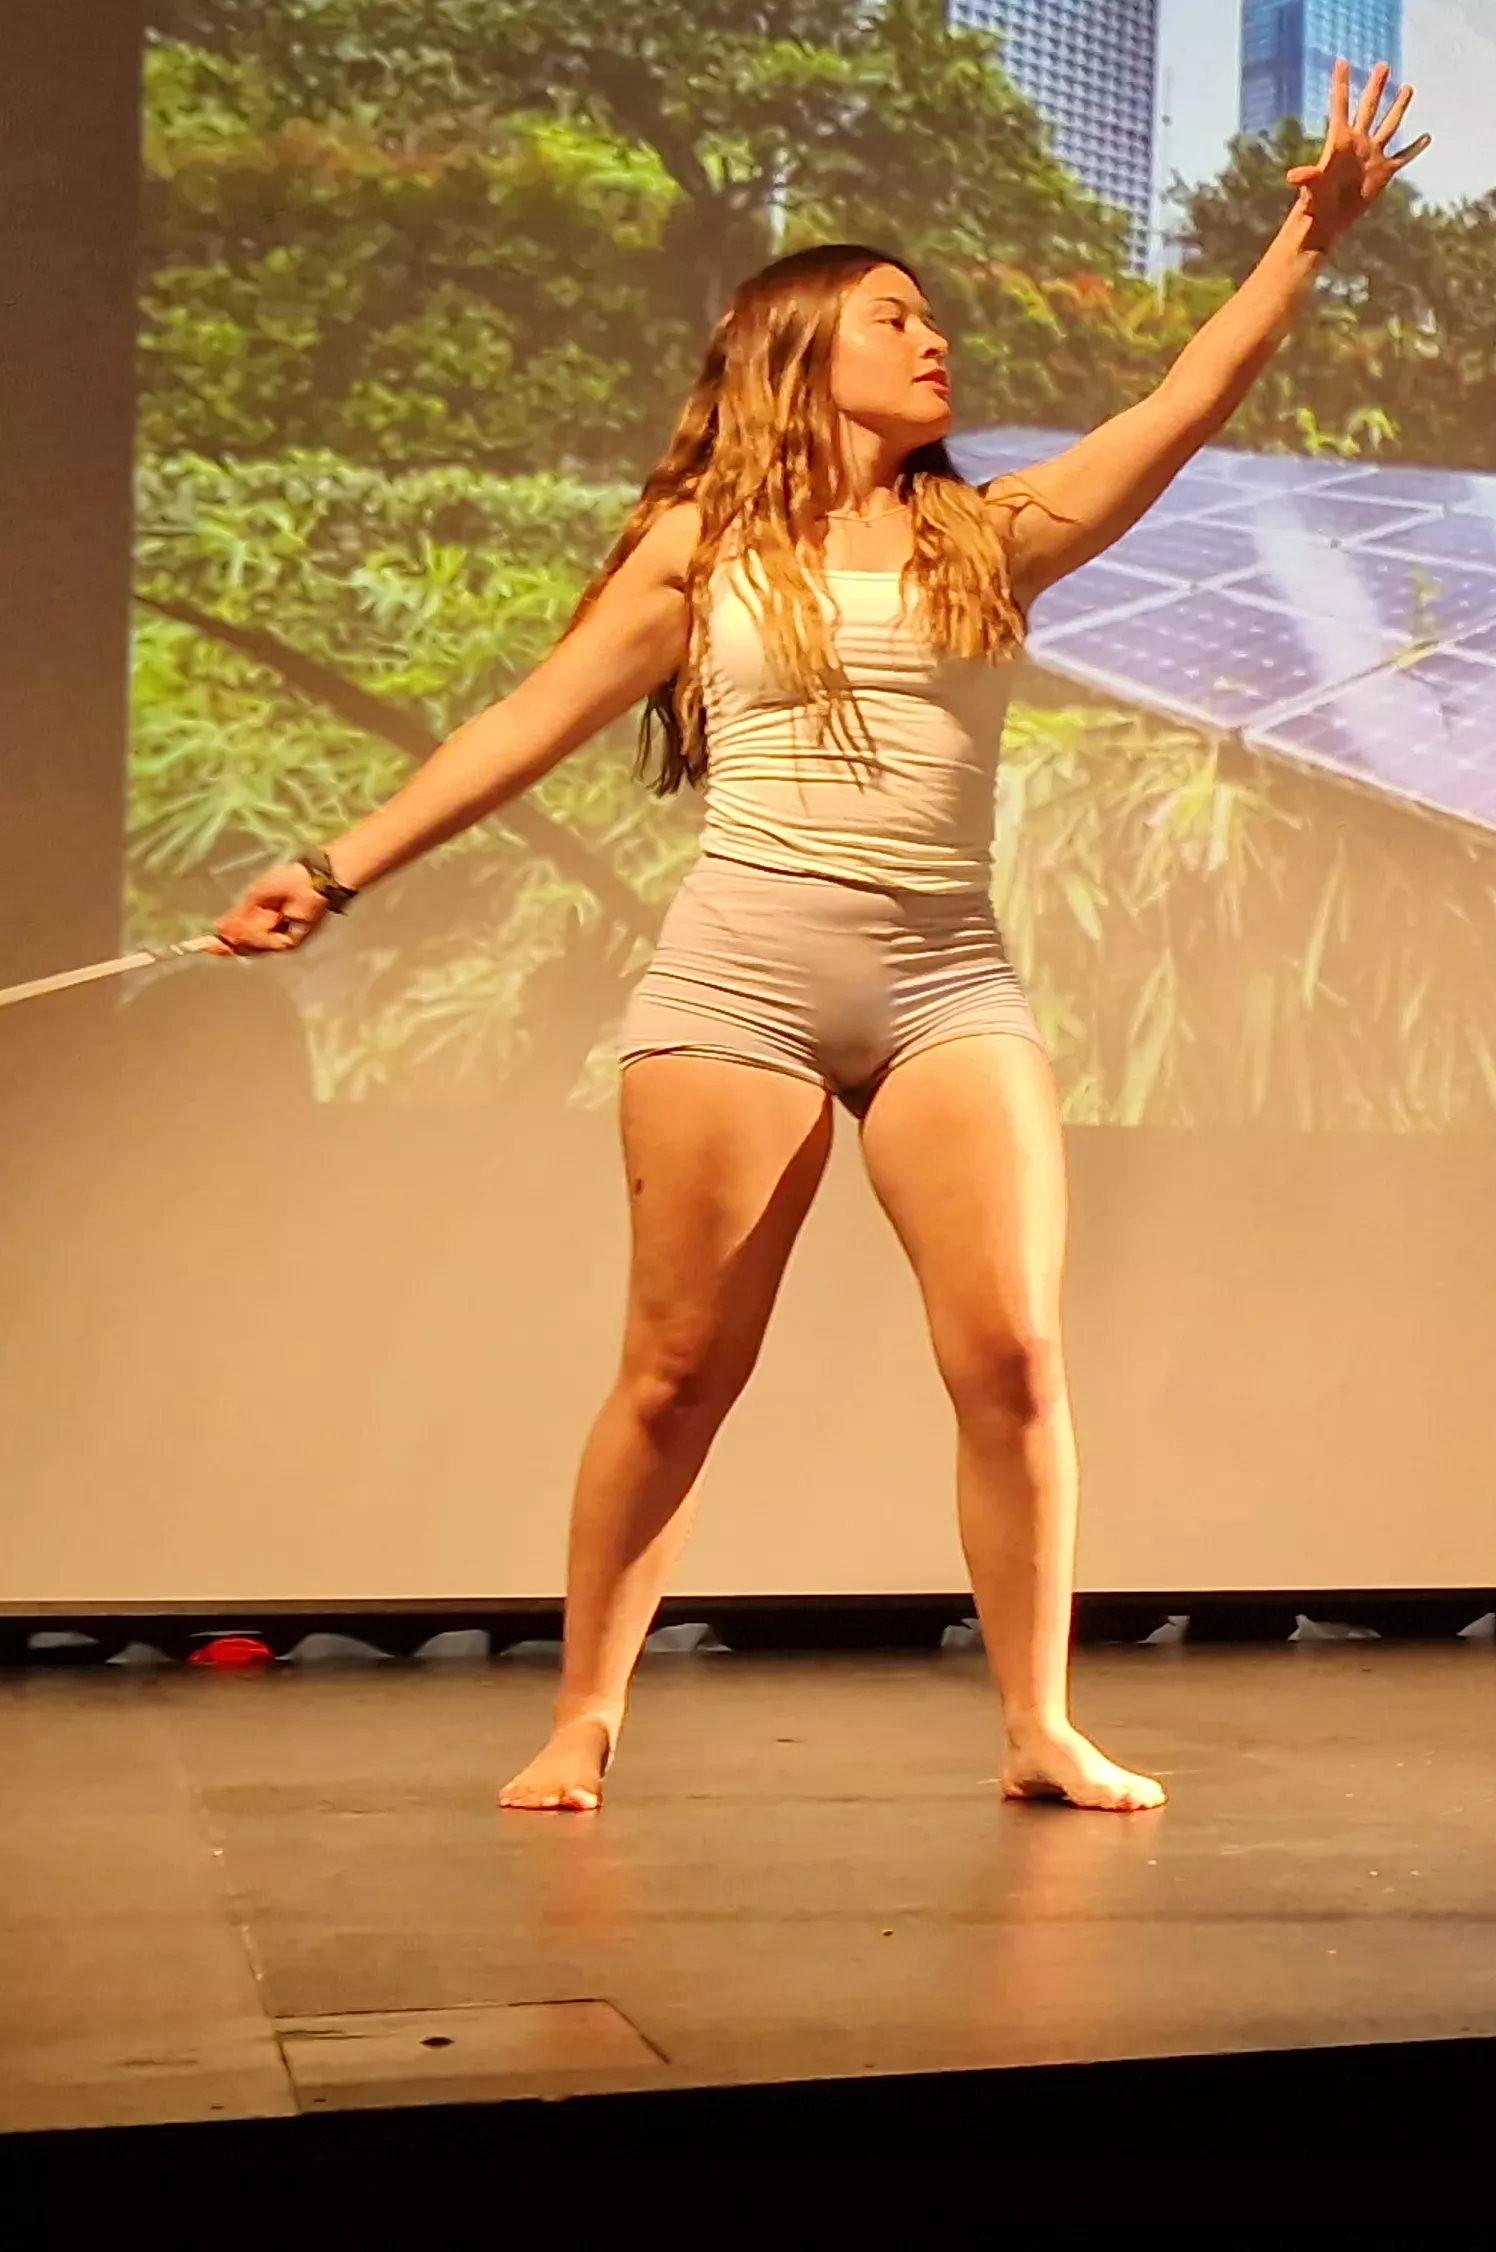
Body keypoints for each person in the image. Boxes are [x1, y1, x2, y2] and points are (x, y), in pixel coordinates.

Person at [212, 68, 1431, 1811]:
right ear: (802, 352)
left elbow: (1185, 400)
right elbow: (526, 721)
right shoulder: (702, 544)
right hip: (739, 986)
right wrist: (329, 874)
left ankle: (1037, 1724)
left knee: (1013, 1354)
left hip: (948, 983)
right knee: (678, 1367)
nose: (936, 342)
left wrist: (1305, 238)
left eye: (935, 319)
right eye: (894, 317)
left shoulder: (989, 540)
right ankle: (585, 1712)